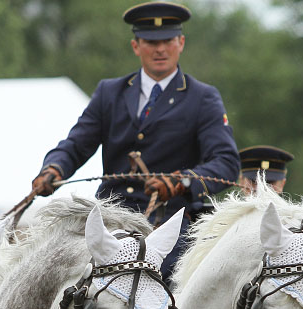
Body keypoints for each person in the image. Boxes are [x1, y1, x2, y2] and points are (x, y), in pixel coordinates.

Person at [31, 1, 240, 279]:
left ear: (181, 43)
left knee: (163, 282)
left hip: (167, 223)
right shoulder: (109, 92)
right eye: (151, 42)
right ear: (136, 46)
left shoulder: (203, 98)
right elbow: (76, 144)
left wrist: (181, 181)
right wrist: (54, 168)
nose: (160, 49)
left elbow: (225, 162)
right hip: (108, 216)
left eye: (167, 41)